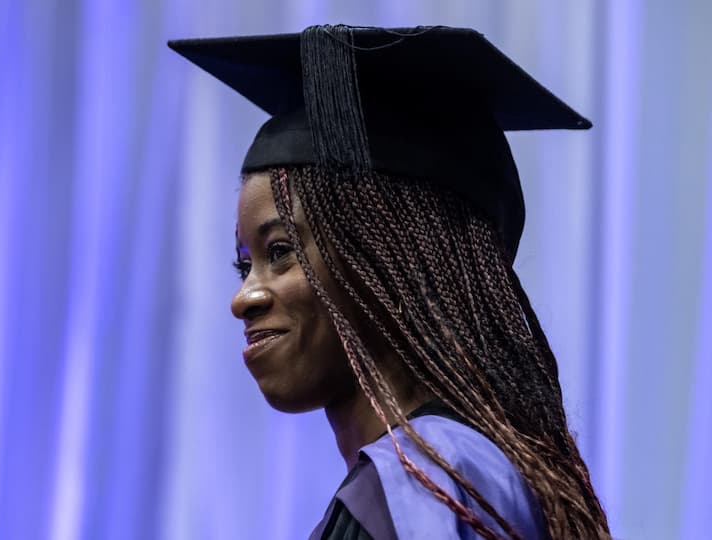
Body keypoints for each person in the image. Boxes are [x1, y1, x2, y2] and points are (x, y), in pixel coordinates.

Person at [170, 25, 611, 539]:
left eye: (281, 252)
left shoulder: (418, 490)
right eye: (244, 265)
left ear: (385, 261)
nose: (245, 297)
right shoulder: (486, 476)